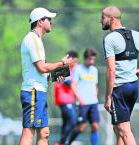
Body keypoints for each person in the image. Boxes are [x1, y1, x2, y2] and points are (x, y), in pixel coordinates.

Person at [101, 6, 139, 145]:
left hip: (120, 89)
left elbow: (111, 71)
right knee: (119, 129)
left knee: (124, 130)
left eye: (103, 17)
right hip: (133, 87)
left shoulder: (110, 39)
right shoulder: (135, 34)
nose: (101, 21)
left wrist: (107, 97)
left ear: (111, 19)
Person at [19, 7, 73, 145]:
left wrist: (54, 76)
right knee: (28, 132)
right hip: (33, 92)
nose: (51, 22)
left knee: (44, 133)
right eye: (49, 19)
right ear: (40, 22)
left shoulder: (36, 40)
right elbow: (42, 67)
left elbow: (40, 71)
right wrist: (62, 63)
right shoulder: (33, 39)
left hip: (39, 92)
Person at [68, 48, 100, 145]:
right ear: (85, 59)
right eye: (90, 59)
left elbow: (95, 85)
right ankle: (68, 142)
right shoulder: (78, 69)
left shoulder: (94, 70)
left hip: (93, 102)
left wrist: (95, 95)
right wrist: (79, 99)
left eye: (93, 59)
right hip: (82, 103)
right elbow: (73, 85)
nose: (92, 61)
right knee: (81, 128)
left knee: (95, 126)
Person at [54, 50, 79, 145]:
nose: (76, 64)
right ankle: (62, 142)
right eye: (75, 61)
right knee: (73, 121)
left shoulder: (72, 70)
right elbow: (68, 83)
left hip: (69, 100)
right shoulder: (64, 68)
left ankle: (62, 142)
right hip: (64, 100)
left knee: (66, 123)